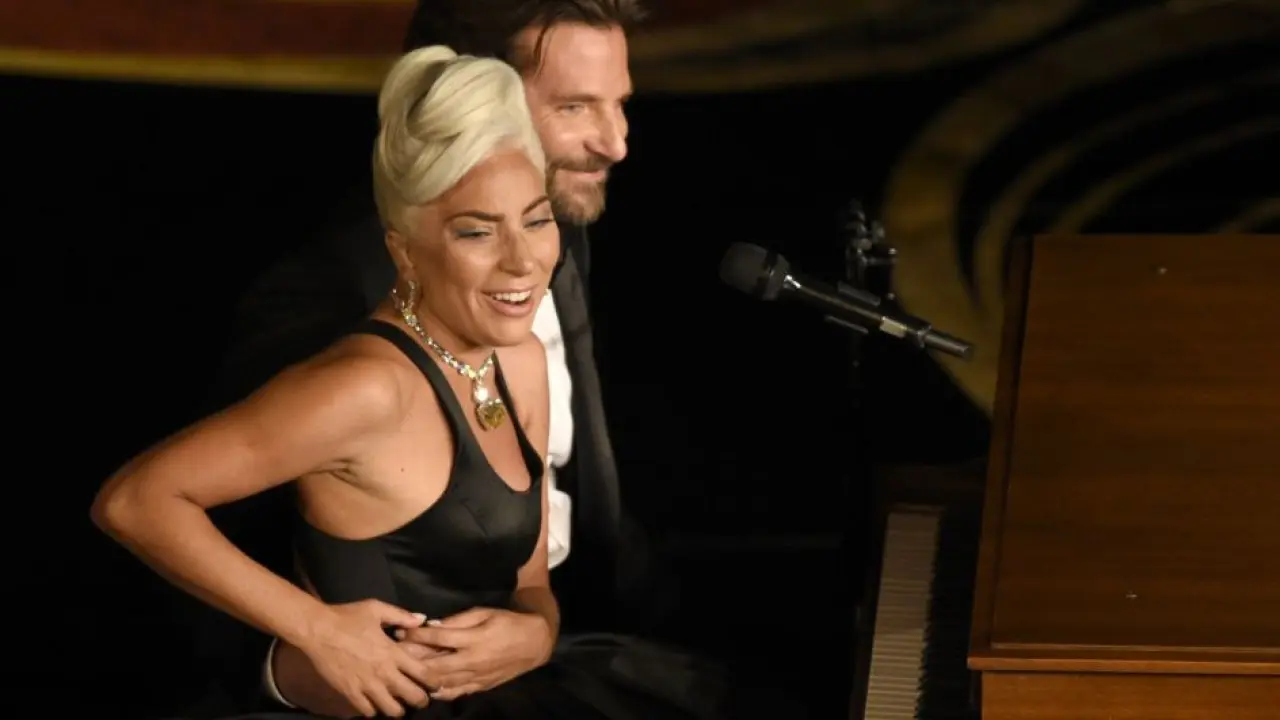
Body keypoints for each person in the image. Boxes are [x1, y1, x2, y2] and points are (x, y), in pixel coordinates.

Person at [94, 46, 725, 720]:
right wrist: (318, 631)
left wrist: (539, 630)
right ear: (404, 250)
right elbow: (134, 501)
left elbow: (530, 581)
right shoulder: (366, 388)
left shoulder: (518, 360)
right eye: (477, 233)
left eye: (537, 220)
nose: (522, 260)